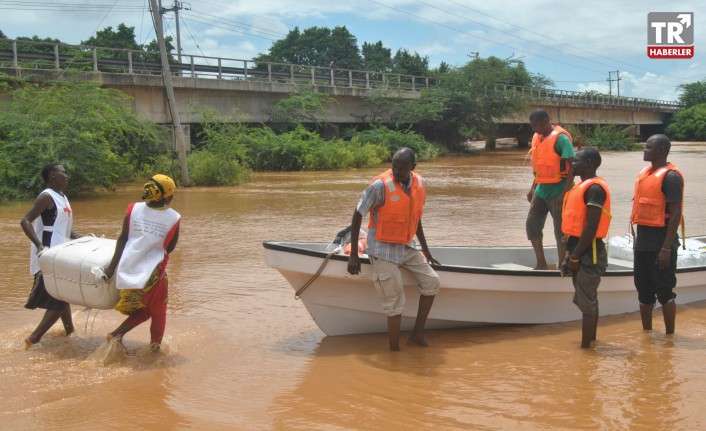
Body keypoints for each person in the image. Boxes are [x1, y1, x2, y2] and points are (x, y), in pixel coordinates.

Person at [347, 147, 440, 351]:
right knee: (395, 303)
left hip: (406, 246)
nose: (397, 171)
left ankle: (417, 335)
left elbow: (416, 219)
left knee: (432, 282)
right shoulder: (380, 186)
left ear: (412, 168)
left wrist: (426, 250)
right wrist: (354, 255)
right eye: (394, 166)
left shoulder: (419, 184)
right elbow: (357, 215)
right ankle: (394, 350)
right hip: (382, 249)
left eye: (402, 168)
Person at [103, 175, 181, 350]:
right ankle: (155, 352)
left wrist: (111, 268)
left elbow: (122, 238)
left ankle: (117, 334)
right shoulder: (174, 218)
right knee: (159, 313)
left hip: (128, 268)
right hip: (153, 274)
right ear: (167, 196)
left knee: (146, 310)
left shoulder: (133, 209)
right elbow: (169, 248)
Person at [20, 163, 81, 348]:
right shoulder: (47, 196)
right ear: (52, 175)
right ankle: (34, 339)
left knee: (62, 296)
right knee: (60, 300)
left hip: (61, 254)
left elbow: (64, 230)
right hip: (48, 255)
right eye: (63, 172)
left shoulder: (62, 197)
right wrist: (39, 246)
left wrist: (86, 239)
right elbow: (25, 221)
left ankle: (69, 333)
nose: (67, 176)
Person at [630, 134, 684, 335]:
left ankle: (670, 337)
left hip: (661, 244)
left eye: (648, 147)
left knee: (664, 291)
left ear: (661, 150)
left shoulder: (671, 177)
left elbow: (676, 212)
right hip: (643, 244)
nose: (644, 150)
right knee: (643, 292)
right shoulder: (645, 173)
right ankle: (648, 335)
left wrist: (666, 248)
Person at [560, 148, 611, 348]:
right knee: (588, 300)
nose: (572, 164)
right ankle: (591, 341)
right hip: (577, 248)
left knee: (587, 302)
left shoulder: (595, 189)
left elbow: (590, 227)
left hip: (590, 252)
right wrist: (569, 255)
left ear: (589, 163)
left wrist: (575, 257)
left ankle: (586, 349)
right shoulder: (579, 186)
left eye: (577, 161)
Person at [526, 108, 575, 269]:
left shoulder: (561, 139)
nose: (534, 129)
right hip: (541, 189)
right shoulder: (537, 138)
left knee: (560, 230)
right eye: (532, 126)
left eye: (536, 125)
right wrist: (533, 187)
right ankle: (541, 263)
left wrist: (565, 192)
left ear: (546, 121)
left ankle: (562, 264)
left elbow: (572, 167)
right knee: (532, 224)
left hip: (559, 188)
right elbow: (540, 167)